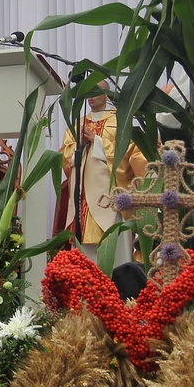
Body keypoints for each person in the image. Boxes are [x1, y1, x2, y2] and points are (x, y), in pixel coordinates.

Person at [60, 80, 147, 266]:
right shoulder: (78, 122)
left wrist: (98, 141)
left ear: (106, 96)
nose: (90, 96)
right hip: (82, 199)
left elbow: (129, 155)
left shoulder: (120, 120)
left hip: (109, 198)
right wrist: (80, 145)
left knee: (115, 253)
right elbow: (65, 157)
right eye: (87, 92)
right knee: (84, 260)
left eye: (96, 91)